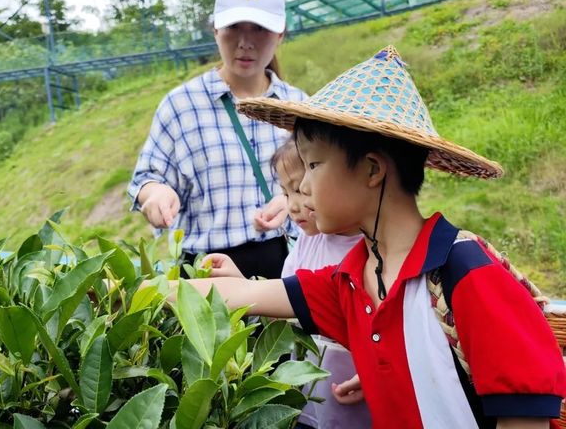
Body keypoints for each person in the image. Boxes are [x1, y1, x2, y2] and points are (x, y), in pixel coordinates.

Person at [168, 46, 566, 428]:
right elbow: (242, 295)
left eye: (314, 164)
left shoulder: (465, 273)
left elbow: (523, 415)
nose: (303, 186)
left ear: (373, 170)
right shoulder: (351, 279)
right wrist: (145, 294)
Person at [128, 0, 307, 279]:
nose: (245, 42)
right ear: (215, 30)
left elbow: (321, 185)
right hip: (207, 273)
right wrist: (154, 194)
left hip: (288, 267)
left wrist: (291, 200)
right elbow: (148, 175)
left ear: (280, 34)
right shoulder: (181, 105)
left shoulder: (300, 107)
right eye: (234, 27)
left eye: (260, 29)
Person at [208, 137, 370, 428]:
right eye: (285, 193)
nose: (293, 206)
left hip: (362, 399)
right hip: (310, 400)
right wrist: (242, 284)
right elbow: (282, 314)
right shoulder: (307, 244)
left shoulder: (372, 251)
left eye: (299, 189)